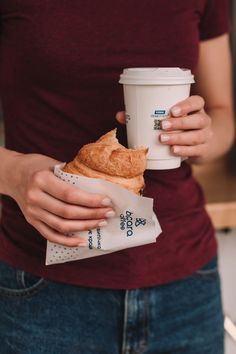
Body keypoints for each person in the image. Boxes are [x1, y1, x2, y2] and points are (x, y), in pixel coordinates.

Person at [0, 1, 234, 353]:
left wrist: (203, 138)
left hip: (185, 285)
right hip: (42, 288)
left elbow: (222, 113)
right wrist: (11, 173)